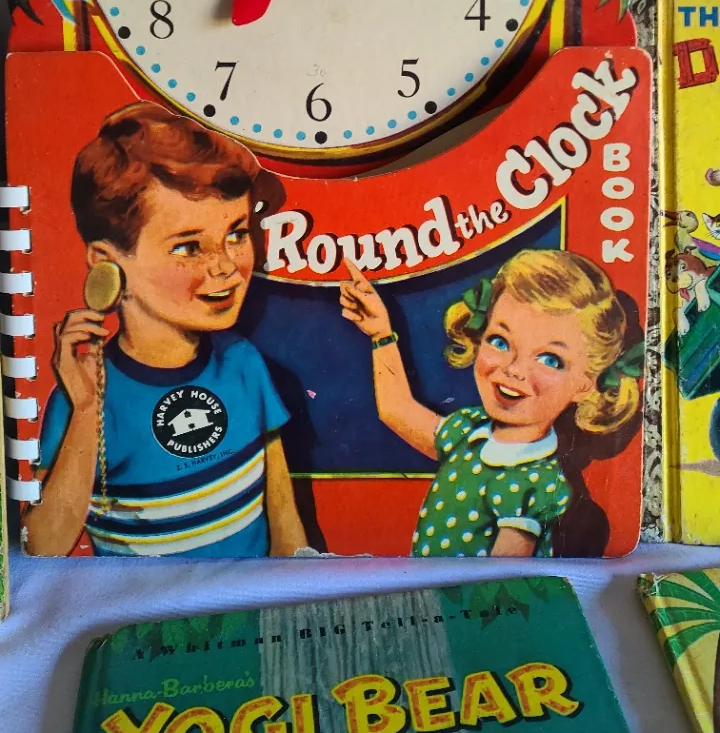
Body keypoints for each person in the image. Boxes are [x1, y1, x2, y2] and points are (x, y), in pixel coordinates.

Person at [24, 103, 307, 558]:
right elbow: (42, 549)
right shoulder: (82, 397)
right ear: (107, 263)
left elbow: (284, 521)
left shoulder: (243, 363)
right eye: (189, 247)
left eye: (236, 234)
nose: (226, 267)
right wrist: (86, 410)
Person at [339, 247, 641, 558]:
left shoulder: (533, 483)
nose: (513, 370)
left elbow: (501, 578)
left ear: (584, 385)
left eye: (550, 359)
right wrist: (381, 333)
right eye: (500, 341)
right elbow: (396, 409)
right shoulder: (468, 432)